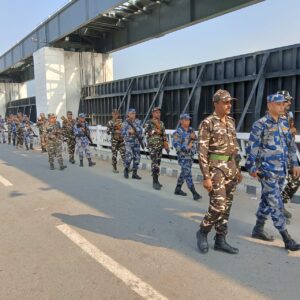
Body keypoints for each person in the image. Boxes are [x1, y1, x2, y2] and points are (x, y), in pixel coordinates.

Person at [246, 93, 300, 251]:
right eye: (279, 104)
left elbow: (290, 146)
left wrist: (295, 163)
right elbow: (252, 148)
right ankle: (287, 238)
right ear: (269, 105)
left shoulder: (284, 123)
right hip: (267, 171)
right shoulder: (260, 124)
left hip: (281, 171)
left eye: (283, 104)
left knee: (266, 199)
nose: (282, 107)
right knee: (276, 202)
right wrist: (252, 167)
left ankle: (258, 228)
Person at [196, 89, 242, 254]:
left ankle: (221, 240)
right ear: (216, 103)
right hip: (216, 168)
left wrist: (238, 169)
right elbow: (202, 151)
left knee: (226, 206)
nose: (229, 105)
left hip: (230, 168)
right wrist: (206, 177)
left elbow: (234, 147)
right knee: (218, 205)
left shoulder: (231, 121)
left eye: (230, 102)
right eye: (225, 102)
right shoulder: (208, 123)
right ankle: (203, 231)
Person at [277, 90, 299, 222]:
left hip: (287, 152)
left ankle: (282, 203)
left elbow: (290, 132)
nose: (290, 103)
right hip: (274, 156)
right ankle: (277, 212)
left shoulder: (288, 115)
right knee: (275, 185)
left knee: (296, 177)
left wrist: (292, 130)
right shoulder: (272, 116)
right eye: (287, 100)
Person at [172, 113, 201, 200]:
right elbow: (176, 144)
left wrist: (194, 140)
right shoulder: (178, 132)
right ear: (181, 121)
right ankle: (194, 193)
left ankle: (178, 188)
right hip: (183, 156)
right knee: (188, 174)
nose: (188, 121)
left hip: (190, 156)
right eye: (186, 120)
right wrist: (186, 147)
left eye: (188, 120)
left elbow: (196, 140)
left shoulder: (191, 130)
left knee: (184, 172)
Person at [144, 107, 170, 190]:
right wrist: (155, 131)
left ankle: (157, 180)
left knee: (158, 164)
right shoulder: (149, 122)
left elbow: (164, 134)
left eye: (159, 112)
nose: (158, 114)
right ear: (153, 113)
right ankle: (154, 181)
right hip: (152, 146)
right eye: (156, 112)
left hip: (160, 146)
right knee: (154, 164)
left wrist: (166, 144)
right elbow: (146, 132)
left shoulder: (161, 123)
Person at [121, 108, 143, 180]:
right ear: (128, 114)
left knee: (137, 158)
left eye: (134, 113)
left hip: (136, 142)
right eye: (132, 113)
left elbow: (141, 130)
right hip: (129, 142)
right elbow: (122, 133)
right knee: (129, 156)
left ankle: (134, 173)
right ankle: (126, 169)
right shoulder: (125, 123)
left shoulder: (138, 122)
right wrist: (129, 132)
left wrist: (137, 131)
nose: (133, 115)